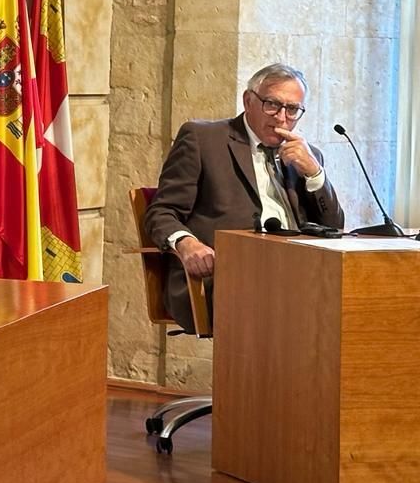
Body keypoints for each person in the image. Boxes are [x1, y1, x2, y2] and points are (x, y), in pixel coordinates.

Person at [145, 63, 344, 332]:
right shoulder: (203, 139)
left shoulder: (306, 156)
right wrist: (187, 244)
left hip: (296, 273)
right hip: (223, 275)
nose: (282, 118)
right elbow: (162, 212)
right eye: (272, 104)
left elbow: (334, 227)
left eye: (293, 109)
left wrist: (314, 173)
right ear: (248, 100)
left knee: (351, 296)